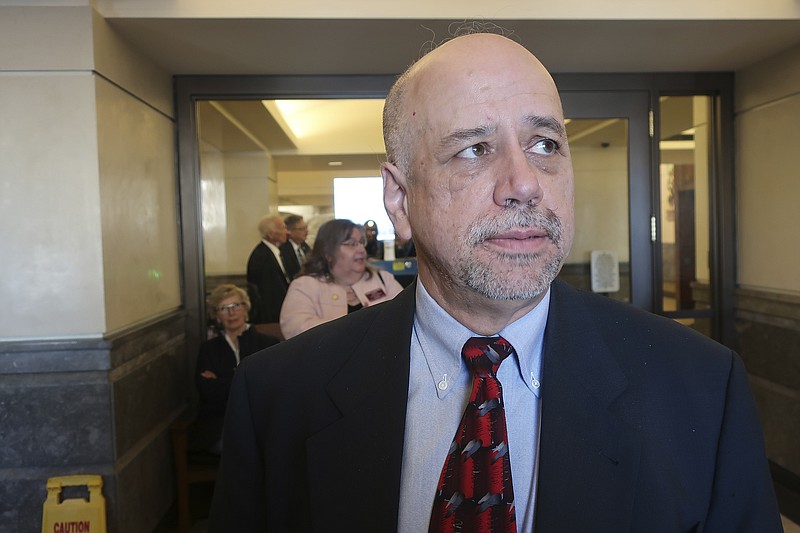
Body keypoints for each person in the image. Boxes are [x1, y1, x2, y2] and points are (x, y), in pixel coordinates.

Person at [209, 32, 781, 532]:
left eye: (544, 145)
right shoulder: (279, 396)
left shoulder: (702, 388)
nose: (525, 184)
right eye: (474, 149)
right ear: (399, 200)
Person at [190, 284, 280, 456]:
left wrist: (222, 381)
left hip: (263, 420)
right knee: (239, 446)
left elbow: (273, 387)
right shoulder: (208, 349)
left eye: (236, 306)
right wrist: (248, 381)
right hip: (220, 423)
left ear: (245, 307)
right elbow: (208, 392)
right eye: (224, 309)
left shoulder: (269, 343)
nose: (231, 313)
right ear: (216, 315)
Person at [279, 218, 404, 339]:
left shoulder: (383, 279)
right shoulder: (304, 286)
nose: (362, 250)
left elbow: (405, 318)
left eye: (361, 242)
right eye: (352, 244)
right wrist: (356, 326)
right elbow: (296, 330)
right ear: (328, 253)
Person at [245, 214, 289, 323]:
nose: (287, 232)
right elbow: (268, 294)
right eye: (283, 228)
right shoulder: (261, 257)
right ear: (271, 234)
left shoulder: (274, 252)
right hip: (270, 318)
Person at [279, 213, 311, 281]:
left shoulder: (305, 246)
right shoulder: (283, 250)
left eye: (306, 227)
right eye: (302, 229)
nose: (307, 231)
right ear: (290, 231)